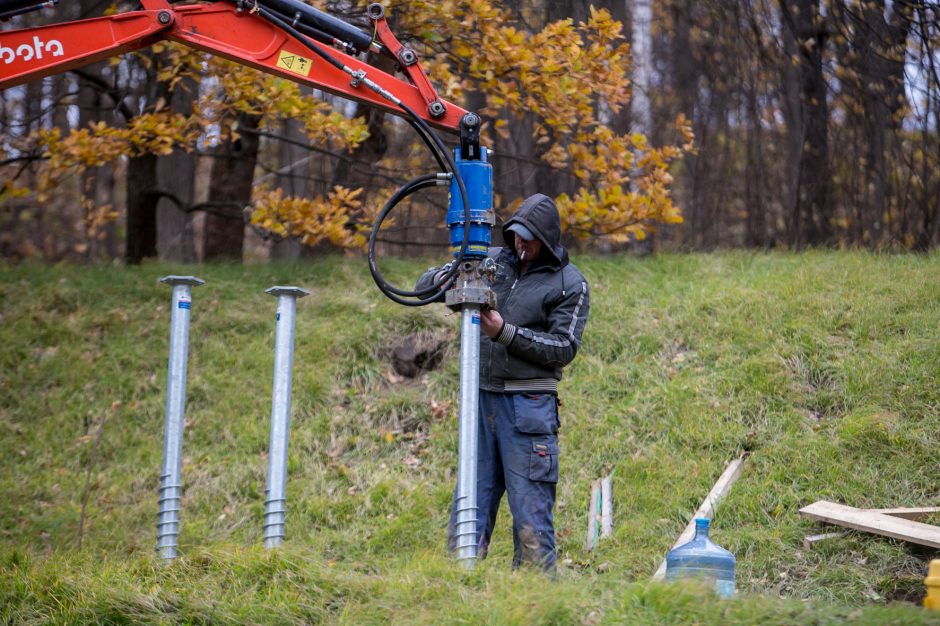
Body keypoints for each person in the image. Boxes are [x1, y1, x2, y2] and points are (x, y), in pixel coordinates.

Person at [418, 193, 590, 571]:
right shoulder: (491, 261)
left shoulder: (569, 284)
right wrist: (453, 280)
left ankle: (533, 600)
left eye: (528, 238)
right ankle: (458, 587)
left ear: (546, 240)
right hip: (481, 401)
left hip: (528, 409)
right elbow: (422, 285)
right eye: (515, 235)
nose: (520, 244)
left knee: (531, 513)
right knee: (470, 504)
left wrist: (504, 332)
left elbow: (564, 347)